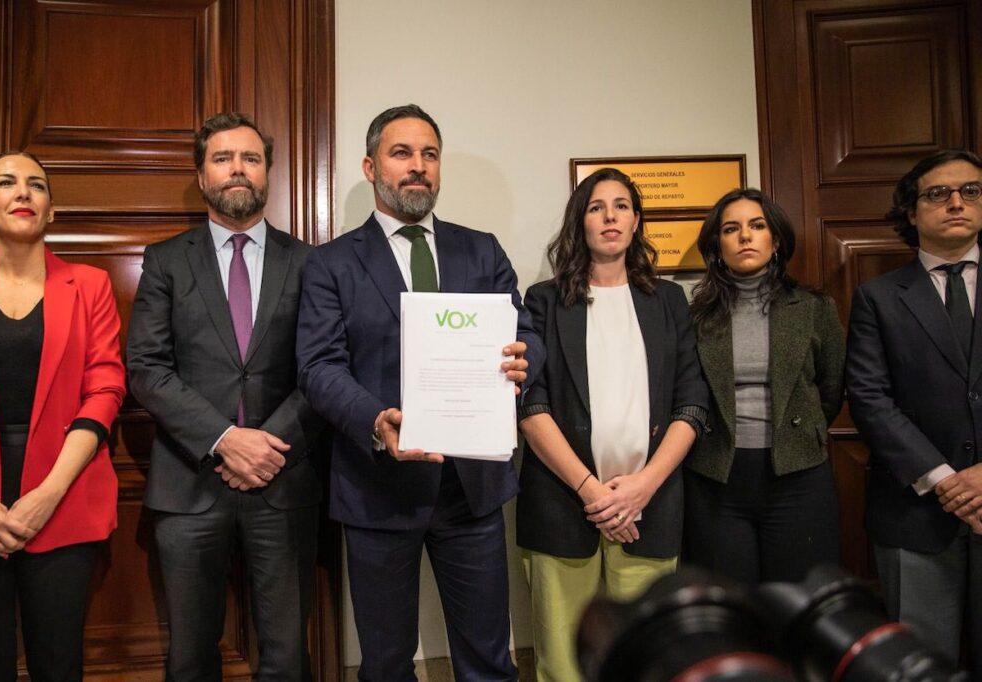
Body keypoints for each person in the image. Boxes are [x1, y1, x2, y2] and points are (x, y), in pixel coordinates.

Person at [297, 104, 542, 681]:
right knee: (384, 662)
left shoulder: (481, 249)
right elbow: (318, 366)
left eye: (429, 154)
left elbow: (524, 331)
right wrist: (375, 421)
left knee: (488, 656)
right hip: (378, 485)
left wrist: (525, 359)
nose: (418, 167)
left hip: (470, 487)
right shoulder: (332, 263)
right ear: (370, 166)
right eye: (401, 153)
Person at [126, 113, 324, 682]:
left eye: (251, 158)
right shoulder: (166, 260)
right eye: (222, 158)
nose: (238, 168)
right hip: (188, 484)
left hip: (284, 481)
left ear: (268, 174)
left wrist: (266, 447)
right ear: (202, 174)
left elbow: (322, 369)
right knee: (190, 655)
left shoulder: (310, 262)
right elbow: (146, 367)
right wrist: (224, 440)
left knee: (287, 654)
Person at [516, 168, 708, 682]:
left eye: (622, 205)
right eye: (597, 207)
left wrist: (640, 489)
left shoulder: (669, 300)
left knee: (644, 657)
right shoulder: (544, 300)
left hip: (650, 504)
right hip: (561, 502)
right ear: (580, 222)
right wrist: (594, 494)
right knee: (562, 661)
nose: (610, 216)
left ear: (636, 220)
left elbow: (692, 405)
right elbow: (530, 407)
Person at [0, 151, 125, 681]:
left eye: (37, 185)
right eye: (7, 183)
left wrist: (47, 495)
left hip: (64, 497)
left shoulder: (90, 285)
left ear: (52, 210)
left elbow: (105, 388)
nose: (24, 193)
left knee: (58, 664)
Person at [846, 149, 982, 676]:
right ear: (911, 210)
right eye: (938, 193)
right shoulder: (878, 297)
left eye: (970, 190)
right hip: (915, 511)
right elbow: (869, 398)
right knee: (918, 668)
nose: (955, 202)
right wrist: (948, 480)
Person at [683, 188, 845, 584]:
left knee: (798, 603)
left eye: (757, 226)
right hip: (716, 478)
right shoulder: (696, 315)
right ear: (717, 247)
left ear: (775, 240)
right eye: (731, 229)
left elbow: (831, 387)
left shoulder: (813, 307)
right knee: (731, 604)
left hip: (798, 475)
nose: (745, 236)